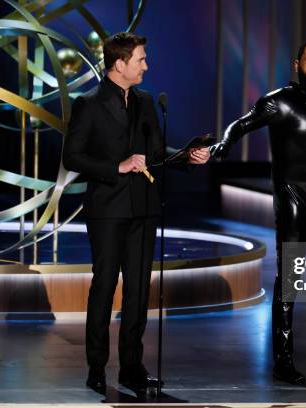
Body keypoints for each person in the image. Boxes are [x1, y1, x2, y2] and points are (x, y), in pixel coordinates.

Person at [63, 32, 210, 394]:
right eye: (141, 59)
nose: (147, 65)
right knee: (104, 286)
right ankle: (97, 367)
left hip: (144, 208)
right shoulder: (89, 103)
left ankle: (132, 366)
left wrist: (186, 157)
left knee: (139, 292)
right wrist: (118, 165)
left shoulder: (146, 102)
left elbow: (157, 153)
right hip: (108, 209)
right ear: (120, 64)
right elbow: (73, 157)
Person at [211, 39, 306, 385]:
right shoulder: (280, 101)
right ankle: (284, 359)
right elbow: (241, 123)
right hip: (294, 201)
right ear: (297, 65)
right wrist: (225, 142)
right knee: (290, 282)